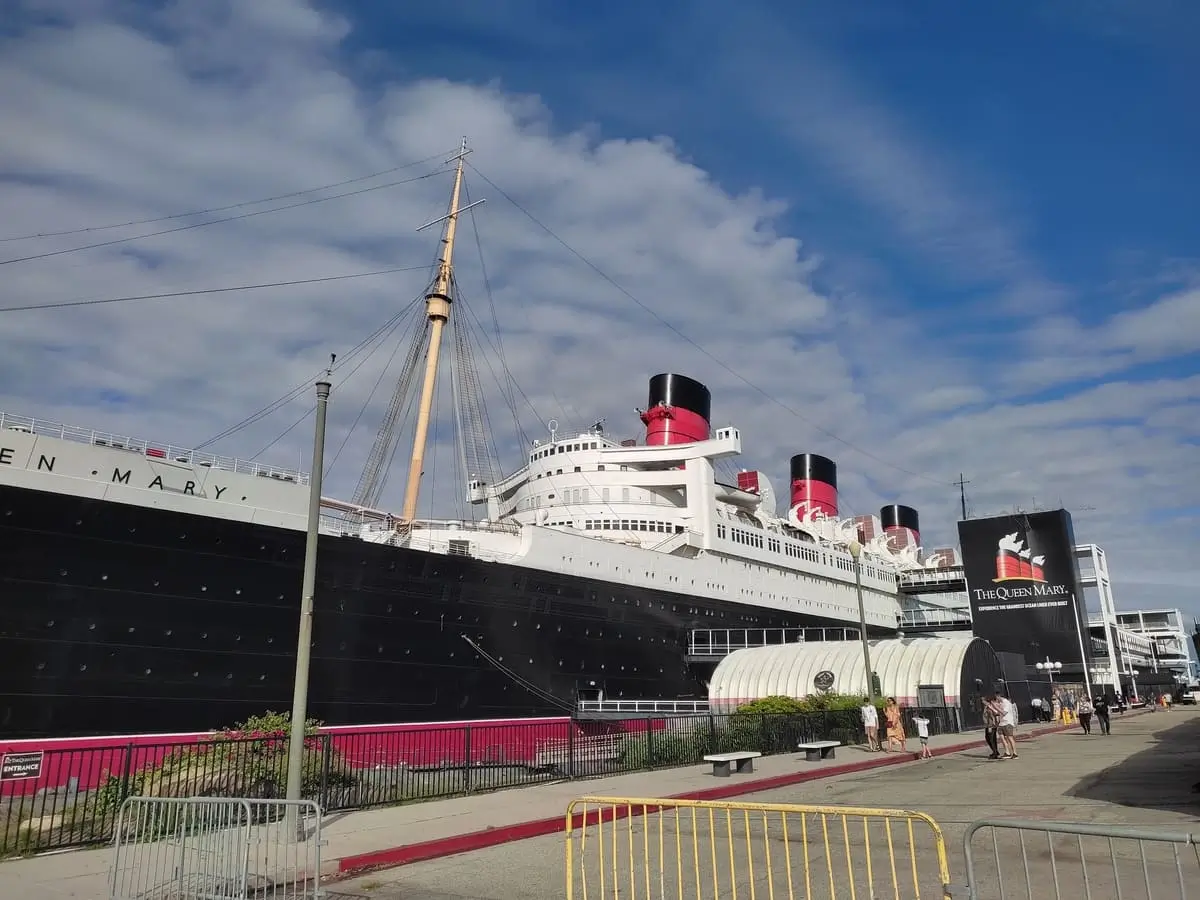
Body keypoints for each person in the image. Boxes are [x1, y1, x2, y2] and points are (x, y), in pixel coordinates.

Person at [997, 694, 1018, 759]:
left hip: (1007, 722)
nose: (996, 699)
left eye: (996, 697)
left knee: (1010, 738)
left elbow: (1004, 713)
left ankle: (1015, 753)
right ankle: (1007, 752)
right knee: (1002, 738)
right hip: (1001, 723)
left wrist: (995, 707)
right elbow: (997, 713)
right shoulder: (1000, 703)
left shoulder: (1007, 703)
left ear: (999, 696)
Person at [982, 693, 1002, 759]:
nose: (982, 701)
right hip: (989, 725)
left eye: (983, 700)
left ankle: (995, 753)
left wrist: (990, 726)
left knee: (991, 739)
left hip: (990, 725)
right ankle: (995, 752)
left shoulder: (990, 707)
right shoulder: (988, 706)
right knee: (990, 738)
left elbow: (991, 717)